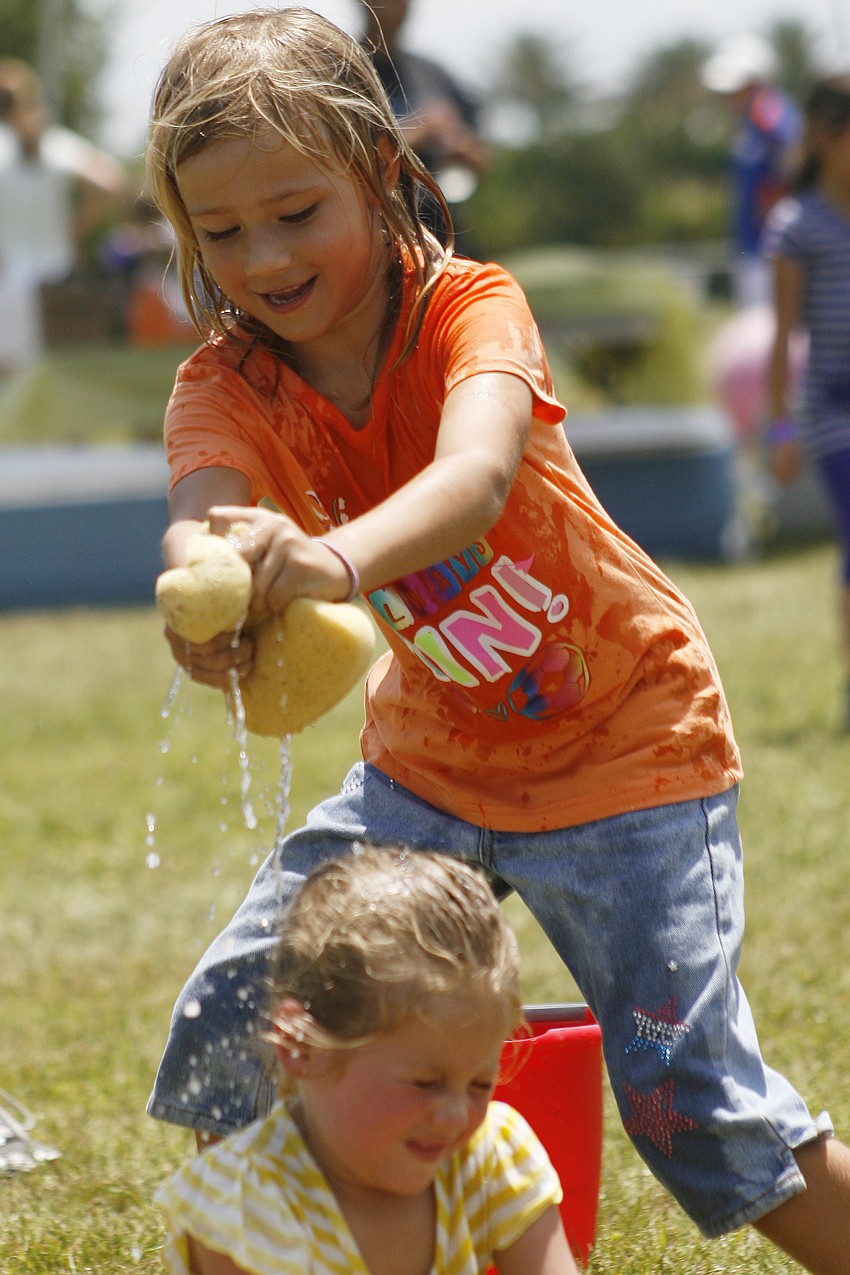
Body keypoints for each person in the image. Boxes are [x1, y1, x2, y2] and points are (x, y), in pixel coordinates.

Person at [144, 10, 850, 1270]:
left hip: (627, 750)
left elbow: (471, 479)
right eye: (221, 228)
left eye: (296, 210)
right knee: (245, 1021)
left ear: (378, 171)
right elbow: (203, 522)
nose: (262, 254)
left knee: (696, 1104)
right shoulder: (225, 385)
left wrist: (332, 559)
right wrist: (205, 594)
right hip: (429, 763)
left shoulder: (472, 309)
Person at [154, 847, 578, 1274]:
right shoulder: (239, 1210)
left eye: (480, 1085)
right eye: (424, 1083)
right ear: (302, 1047)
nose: (454, 1116)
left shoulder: (488, 1160)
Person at [763, 74, 850, 733]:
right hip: (832, 409)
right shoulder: (797, 226)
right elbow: (782, 335)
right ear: (824, 139)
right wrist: (781, 427)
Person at [0, 59, 127, 379]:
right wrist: (72, 232)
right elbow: (111, 182)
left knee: (10, 387)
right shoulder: (55, 143)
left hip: (9, 282)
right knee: (62, 380)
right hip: (58, 277)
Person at [359, 0, 488, 251]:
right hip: (380, 247)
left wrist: (462, 147)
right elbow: (340, 160)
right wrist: (420, 129)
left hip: (447, 241)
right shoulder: (342, 71)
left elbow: (482, 158)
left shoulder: (432, 72)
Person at [702, 33, 802, 307]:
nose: (729, 97)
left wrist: (780, 201)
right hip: (754, 247)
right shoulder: (748, 121)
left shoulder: (768, 111)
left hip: (772, 251)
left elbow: (797, 159)